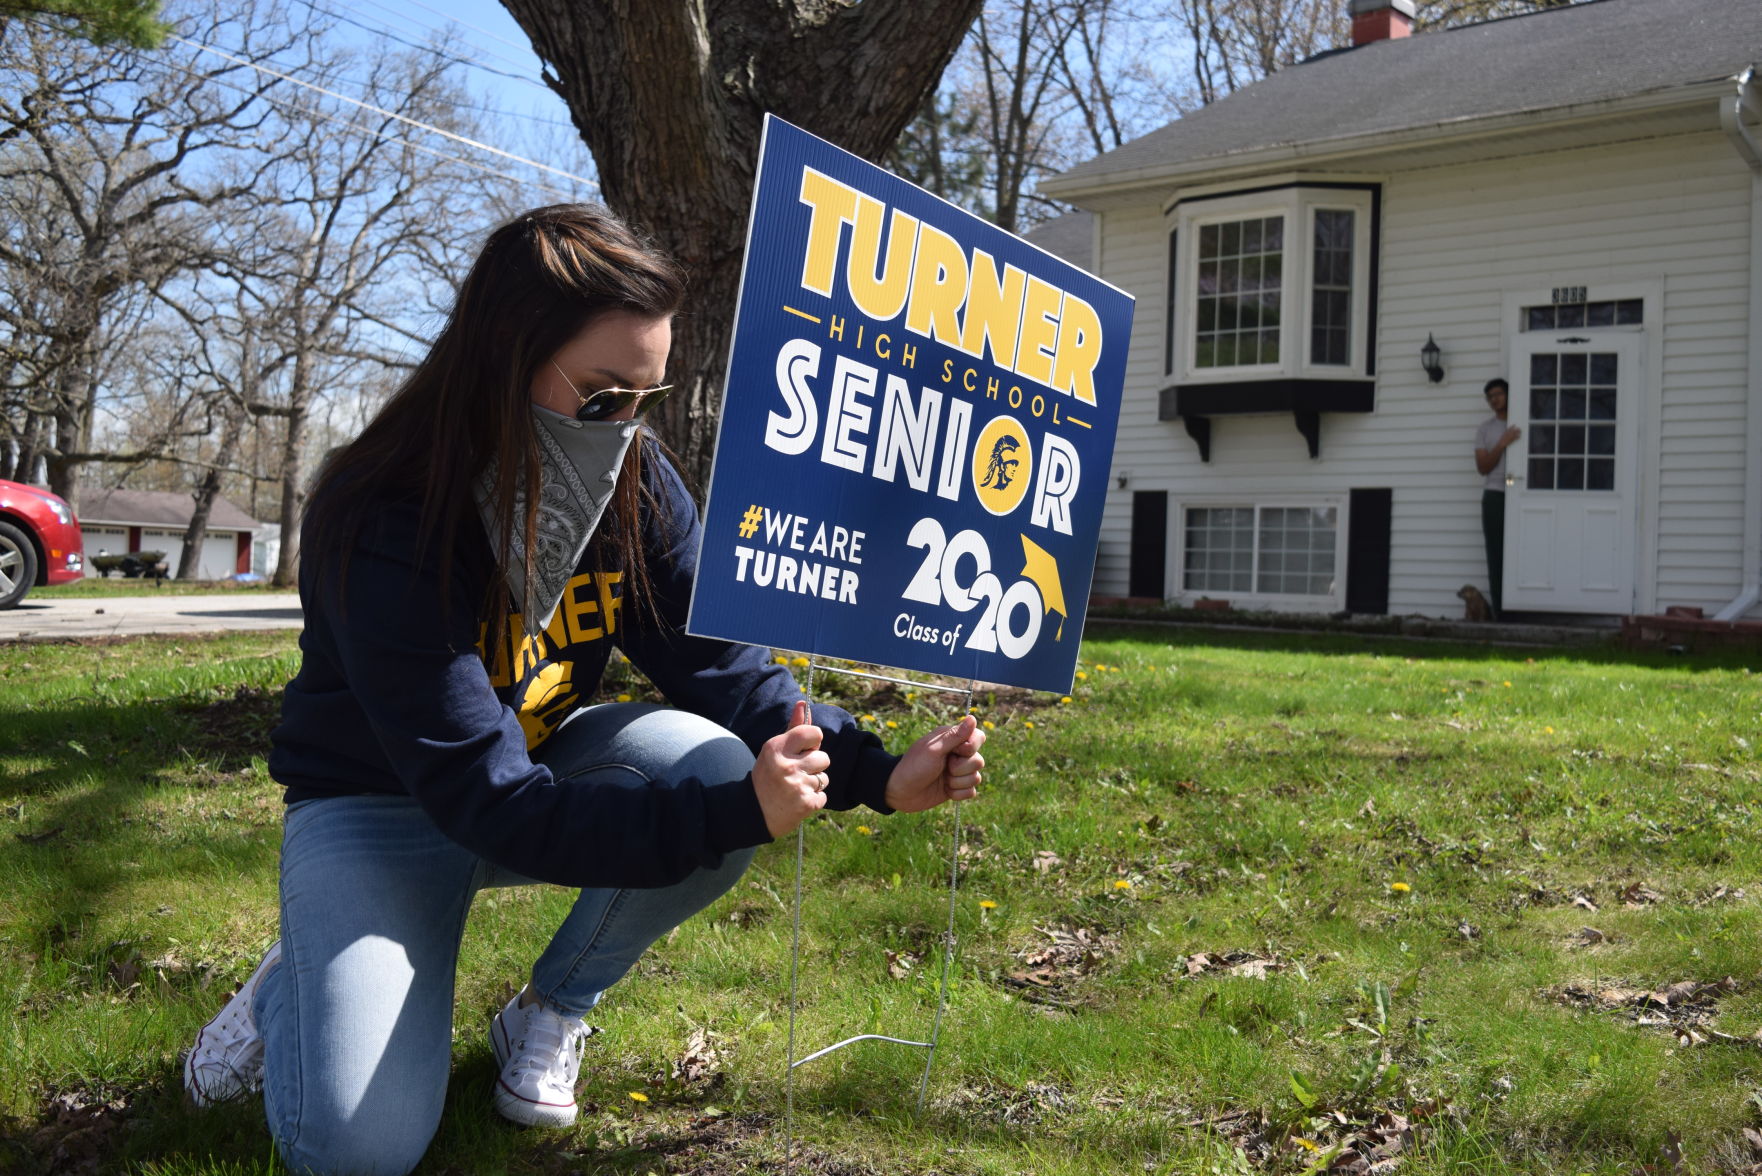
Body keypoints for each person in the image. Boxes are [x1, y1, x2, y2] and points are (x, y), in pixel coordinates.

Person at [181, 204, 986, 1176]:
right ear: (500, 358)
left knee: (711, 760)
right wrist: (739, 812)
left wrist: (875, 771)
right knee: (358, 1150)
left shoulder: (635, 482)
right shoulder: (383, 511)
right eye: (602, 399)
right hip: (378, 806)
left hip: (531, 765)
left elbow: (722, 666)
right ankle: (299, 977)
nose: (625, 432)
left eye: (643, 398)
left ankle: (548, 1010)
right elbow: (487, 802)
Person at [1474, 377, 1521, 620]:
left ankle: (1522, 607)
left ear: (1509, 394)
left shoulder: (1522, 422)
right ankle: (1501, 611)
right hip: (1495, 494)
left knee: (1521, 549)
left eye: (1499, 394)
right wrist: (1502, 443)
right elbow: (1483, 467)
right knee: (1496, 553)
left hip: (1520, 493)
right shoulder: (1486, 429)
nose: (1495, 399)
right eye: (1490, 396)